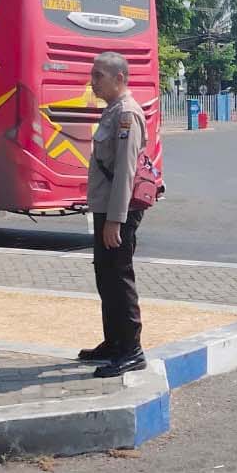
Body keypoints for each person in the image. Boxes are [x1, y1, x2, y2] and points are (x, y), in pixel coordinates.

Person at [80, 51, 148, 377]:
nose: (92, 82)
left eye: (98, 76)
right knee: (105, 277)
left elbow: (125, 172)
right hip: (106, 208)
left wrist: (115, 219)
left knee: (119, 279)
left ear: (119, 78)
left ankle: (132, 349)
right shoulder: (111, 112)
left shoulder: (127, 115)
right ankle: (114, 342)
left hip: (118, 211)